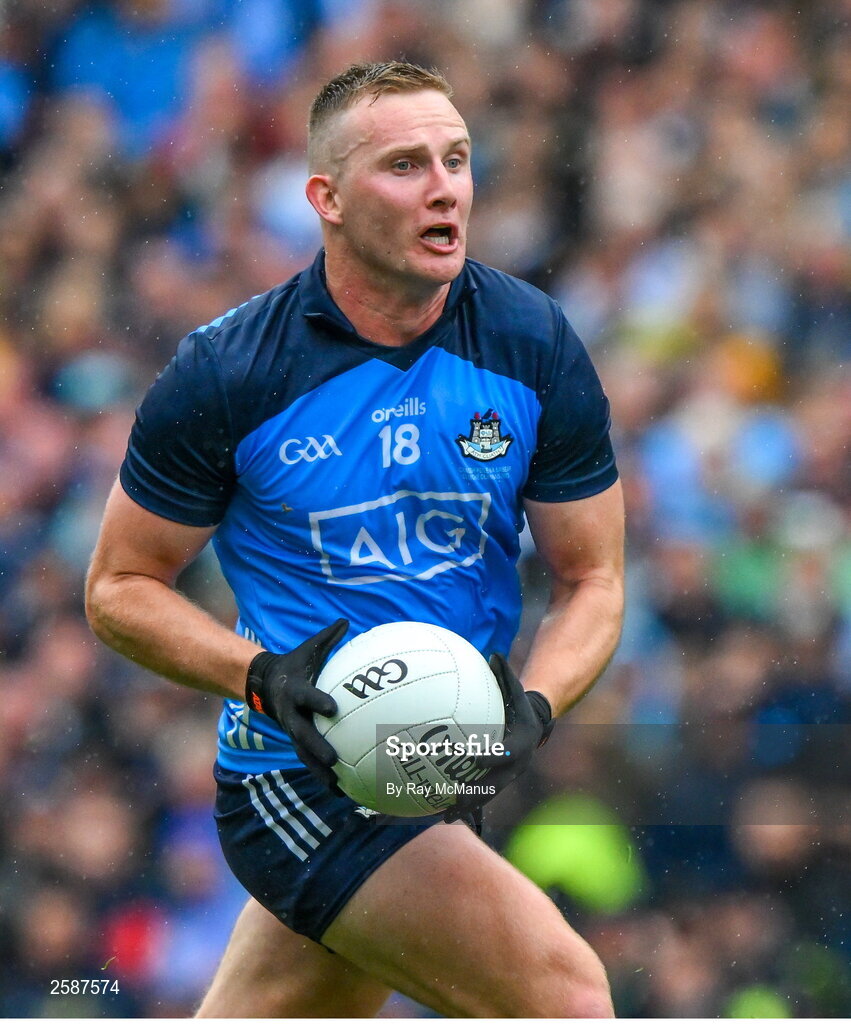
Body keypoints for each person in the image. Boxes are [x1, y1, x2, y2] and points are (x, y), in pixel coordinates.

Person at [86, 61, 624, 1018]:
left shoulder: (530, 342)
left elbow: (593, 579)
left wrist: (533, 706)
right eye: (406, 165)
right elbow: (119, 586)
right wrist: (261, 676)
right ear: (325, 199)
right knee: (564, 996)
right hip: (298, 776)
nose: (444, 186)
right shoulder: (229, 372)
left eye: (456, 159)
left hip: (433, 767)